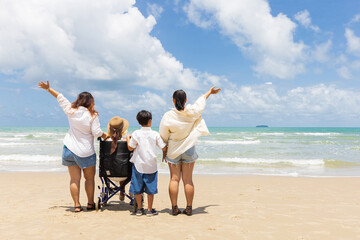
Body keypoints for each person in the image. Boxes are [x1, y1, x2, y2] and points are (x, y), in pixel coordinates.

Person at [38, 80, 107, 212]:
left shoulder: (71, 110)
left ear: (79, 100)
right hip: (86, 152)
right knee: (89, 179)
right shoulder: (93, 115)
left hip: (69, 149)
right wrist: (105, 135)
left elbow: (60, 97)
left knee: (74, 179)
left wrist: (48, 88)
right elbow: (97, 133)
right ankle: (90, 203)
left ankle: (76, 205)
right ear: (91, 102)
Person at [159, 86, 221, 216]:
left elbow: (163, 135)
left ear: (173, 100)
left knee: (174, 179)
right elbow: (201, 102)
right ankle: (189, 208)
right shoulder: (193, 112)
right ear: (186, 100)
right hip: (189, 149)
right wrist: (209, 92)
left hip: (173, 151)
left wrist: (164, 151)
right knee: (188, 180)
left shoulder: (168, 116)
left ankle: (174, 208)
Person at [126, 110, 167, 216]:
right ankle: (149, 209)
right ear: (150, 121)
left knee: (138, 188)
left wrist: (127, 139)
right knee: (150, 188)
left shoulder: (136, 133)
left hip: (138, 165)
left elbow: (130, 148)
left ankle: (139, 209)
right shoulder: (155, 134)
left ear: (139, 122)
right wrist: (164, 155)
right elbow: (163, 147)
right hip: (151, 166)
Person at [106, 116, 129, 201]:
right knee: (122, 164)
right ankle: (122, 190)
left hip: (108, 174)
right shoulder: (126, 142)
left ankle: (116, 189)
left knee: (114, 164)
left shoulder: (106, 142)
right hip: (125, 175)